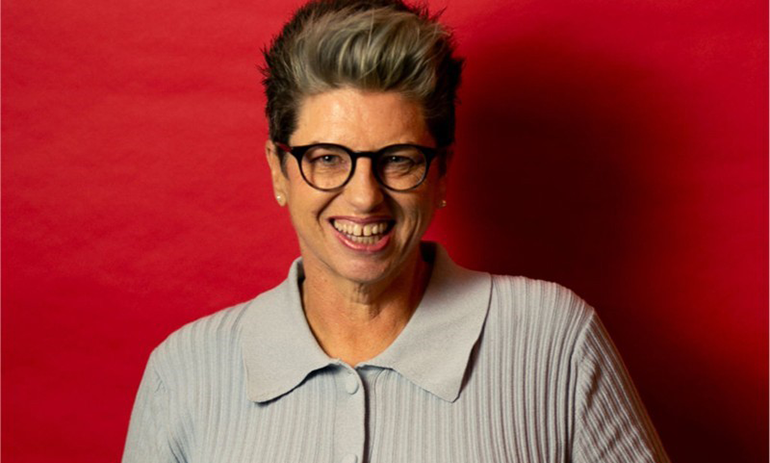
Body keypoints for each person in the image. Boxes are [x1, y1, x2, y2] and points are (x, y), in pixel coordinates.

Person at [122, 0, 670, 461]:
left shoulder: (555, 341)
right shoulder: (185, 372)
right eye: (328, 158)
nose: (364, 196)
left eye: (399, 159)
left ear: (440, 173)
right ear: (278, 169)